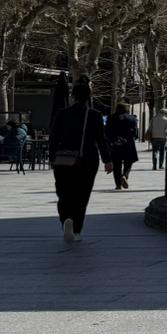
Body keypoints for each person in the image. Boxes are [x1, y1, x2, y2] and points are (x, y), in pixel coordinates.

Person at [49, 76, 111, 245]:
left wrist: (52, 157)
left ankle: (65, 219)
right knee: (82, 195)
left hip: (63, 160)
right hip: (87, 160)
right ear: (89, 97)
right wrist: (107, 160)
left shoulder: (62, 114)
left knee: (64, 193)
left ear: (73, 96)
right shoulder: (94, 115)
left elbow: (53, 138)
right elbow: (101, 140)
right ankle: (76, 230)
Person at [104, 105, 139, 190]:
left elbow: (107, 132)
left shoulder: (111, 118)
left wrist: (114, 139)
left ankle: (118, 184)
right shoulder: (132, 118)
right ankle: (125, 175)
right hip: (128, 143)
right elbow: (135, 133)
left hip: (116, 144)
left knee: (116, 164)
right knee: (129, 161)